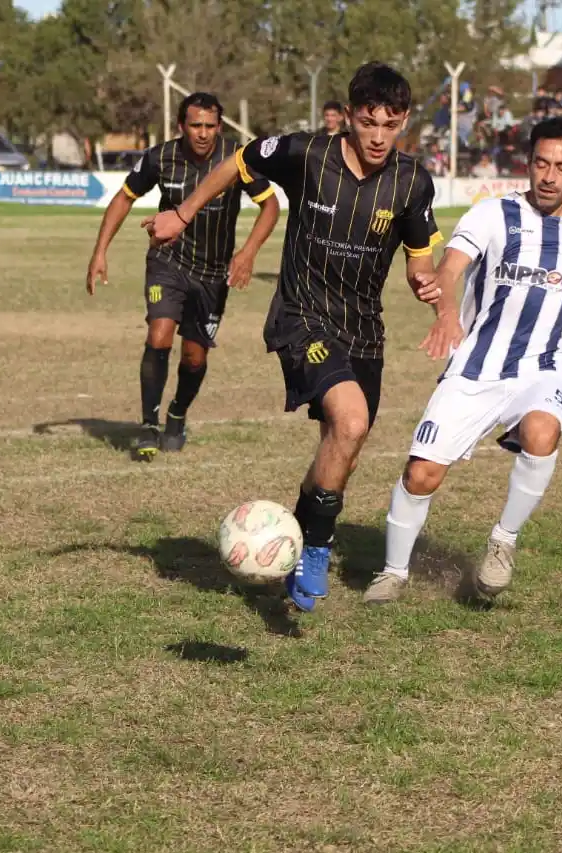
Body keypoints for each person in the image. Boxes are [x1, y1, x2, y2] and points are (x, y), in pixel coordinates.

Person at [144, 62, 442, 612]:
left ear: (403, 122)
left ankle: (299, 540)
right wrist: (183, 213)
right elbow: (238, 161)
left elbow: (418, 258)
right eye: (368, 122)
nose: (379, 136)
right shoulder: (306, 153)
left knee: (343, 448)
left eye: (390, 125)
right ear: (349, 116)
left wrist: (424, 281)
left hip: (364, 330)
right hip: (302, 316)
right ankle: (317, 551)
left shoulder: (413, 181)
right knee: (350, 421)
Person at [362, 118, 562, 605]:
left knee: (542, 433)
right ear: (528, 163)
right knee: (421, 474)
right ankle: (393, 572)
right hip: (476, 365)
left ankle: (503, 541)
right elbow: (451, 267)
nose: (549, 177)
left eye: (561, 167)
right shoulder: (493, 214)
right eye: (540, 164)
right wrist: (446, 312)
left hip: (543, 368)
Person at [87, 92, 280, 457]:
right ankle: (148, 425)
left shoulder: (236, 159)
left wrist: (248, 252)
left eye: (210, 126)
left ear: (219, 127)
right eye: (195, 125)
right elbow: (124, 198)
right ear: (181, 126)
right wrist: (100, 251)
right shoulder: (160, 157)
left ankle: (177, 414)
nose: (203, 133)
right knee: (159, 335)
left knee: (194, 357)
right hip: (168, 261)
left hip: (213, 273)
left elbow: (270, 206)